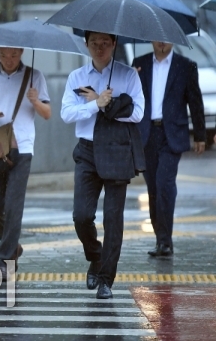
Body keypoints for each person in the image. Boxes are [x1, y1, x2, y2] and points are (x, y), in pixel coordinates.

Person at [61, 31, 145, 299]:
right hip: (86, 151)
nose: (100, 48)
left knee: (113, 217)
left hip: (118, 150)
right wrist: (96, 104)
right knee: (81, 216)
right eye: (94, 43)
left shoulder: (128, 75)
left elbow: (137, 112)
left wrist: (110, 105)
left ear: (114, 44)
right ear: (86, 44)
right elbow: (66, 113)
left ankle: (106, 279)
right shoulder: (76, 77)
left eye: (105, 43)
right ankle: (95, 257)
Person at [0, 47, 51, 281]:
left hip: (23, 148)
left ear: (21, 52)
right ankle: (13, 247)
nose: (9, 60)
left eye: (14, 55)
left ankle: (6, 259)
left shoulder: (34, 76)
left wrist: (35, 101)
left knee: (13, 207)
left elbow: (47, 113)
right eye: (5, 55)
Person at [132, 41, 205, 257]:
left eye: (166, 37)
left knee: (165, 183)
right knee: (153, 189)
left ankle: (165, 241)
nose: (162, 41)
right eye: (157, 37)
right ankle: (160, 238)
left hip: (171, 134)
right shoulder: (139, 64)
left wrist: (200, 135)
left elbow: (195, 101)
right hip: (147, 134)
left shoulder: (186, 65)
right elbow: (130, 97)